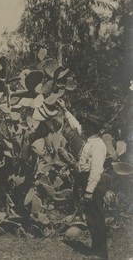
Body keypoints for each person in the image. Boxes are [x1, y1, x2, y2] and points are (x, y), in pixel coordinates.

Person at [58, 99, 109, 259]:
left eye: (86, 124)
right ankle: (96, 250)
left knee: (96, 218)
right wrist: (64, 109)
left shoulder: (98, 145)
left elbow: (96, 171)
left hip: (93, 184)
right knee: (92, 217)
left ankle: (100, 253)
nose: (83, 126)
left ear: (93, 127)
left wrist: (88, 191)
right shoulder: (90, 140)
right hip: (88, 182)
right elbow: (75, 126)